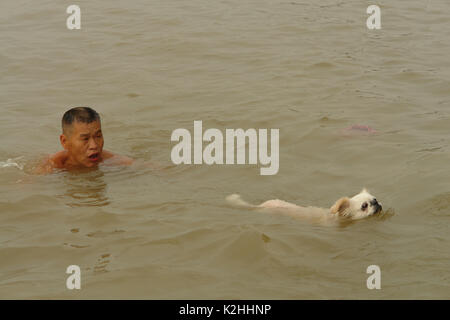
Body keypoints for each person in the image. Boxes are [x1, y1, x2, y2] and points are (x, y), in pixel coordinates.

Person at [35, 107, 133, 174]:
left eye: (98, 136)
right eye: (85, 139)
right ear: (64, 142)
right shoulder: (52, 166)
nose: (94, 146)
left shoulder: (111, 161)